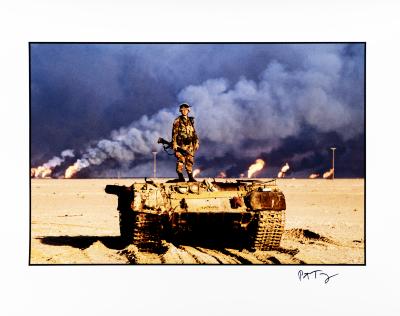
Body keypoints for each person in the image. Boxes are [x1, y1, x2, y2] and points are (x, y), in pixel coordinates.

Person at [172, 103, 199, 182]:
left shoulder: (191, 120)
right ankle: (181, 177)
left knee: (190, 160)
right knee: (181, 160)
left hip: (190, 145)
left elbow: (194, 133)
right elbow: (174, 133)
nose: (184, 111)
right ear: (180, 111)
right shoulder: (177, 121)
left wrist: (197, 142)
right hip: (180, 145)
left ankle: (190, 177)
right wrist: (174, 143)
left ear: (188, 110)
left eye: (186, 110)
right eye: (183, 110)